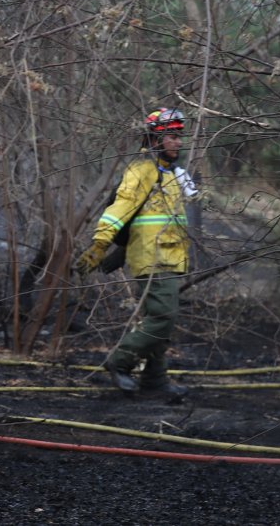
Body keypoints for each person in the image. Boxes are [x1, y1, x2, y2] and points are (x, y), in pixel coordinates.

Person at [75, 107, 192, 401]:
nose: (178, 142)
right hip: (152, 259)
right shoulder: (141, 172)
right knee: (163, 318)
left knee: (158, 321)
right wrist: (100, 245)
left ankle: (155, 382)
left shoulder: (174, 175)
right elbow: (120, 209)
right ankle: (120, 361)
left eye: (180, 136)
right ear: (154, 139)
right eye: (171, 136)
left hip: (168, 257)